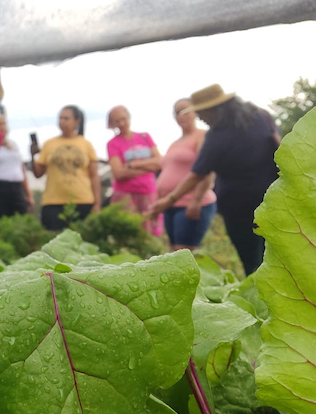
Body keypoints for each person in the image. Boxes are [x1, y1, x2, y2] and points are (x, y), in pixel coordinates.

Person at [149, 85, 281, 275]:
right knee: (274, 253)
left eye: (201, 112)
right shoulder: (260, 116)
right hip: (272, 199)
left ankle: (259, 295)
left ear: (215, 109)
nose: (200, 117)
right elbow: (278, 144)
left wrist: (169, 199)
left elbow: (198, 174)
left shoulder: (216, 136)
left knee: (251, 260)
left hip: (238, 208)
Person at [157, 99, 217, 251]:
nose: (181, 115)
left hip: (191, 203)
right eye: (177, 112)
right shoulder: (174, 143)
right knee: (174, 253)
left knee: (184, 253)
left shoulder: (202, 136)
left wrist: (196, 201)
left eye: (185, 110)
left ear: (195, 112)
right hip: (171, 205)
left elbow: (207, 170)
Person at [31, 105, 101, 231]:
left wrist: (97, 204)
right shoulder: (49, 144)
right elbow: (38, 173)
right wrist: (32, 155)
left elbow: (94, 175)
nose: (62, 122)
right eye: (60, 118)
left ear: (77, 120)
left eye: (66, 118)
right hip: (53, 203)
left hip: (82, 201)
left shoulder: (86, 144)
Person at [107, 106, 162, 236]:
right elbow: (118, 173)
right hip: (125, 196)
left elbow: (159, 163)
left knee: (149, 232)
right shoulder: (112, 143)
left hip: (148, 192)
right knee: (127, 232)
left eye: (123, 119)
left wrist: (132, 165)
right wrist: (148, 167)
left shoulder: (144, 137)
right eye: (116, 121)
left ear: (129, 117)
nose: (121, 124)